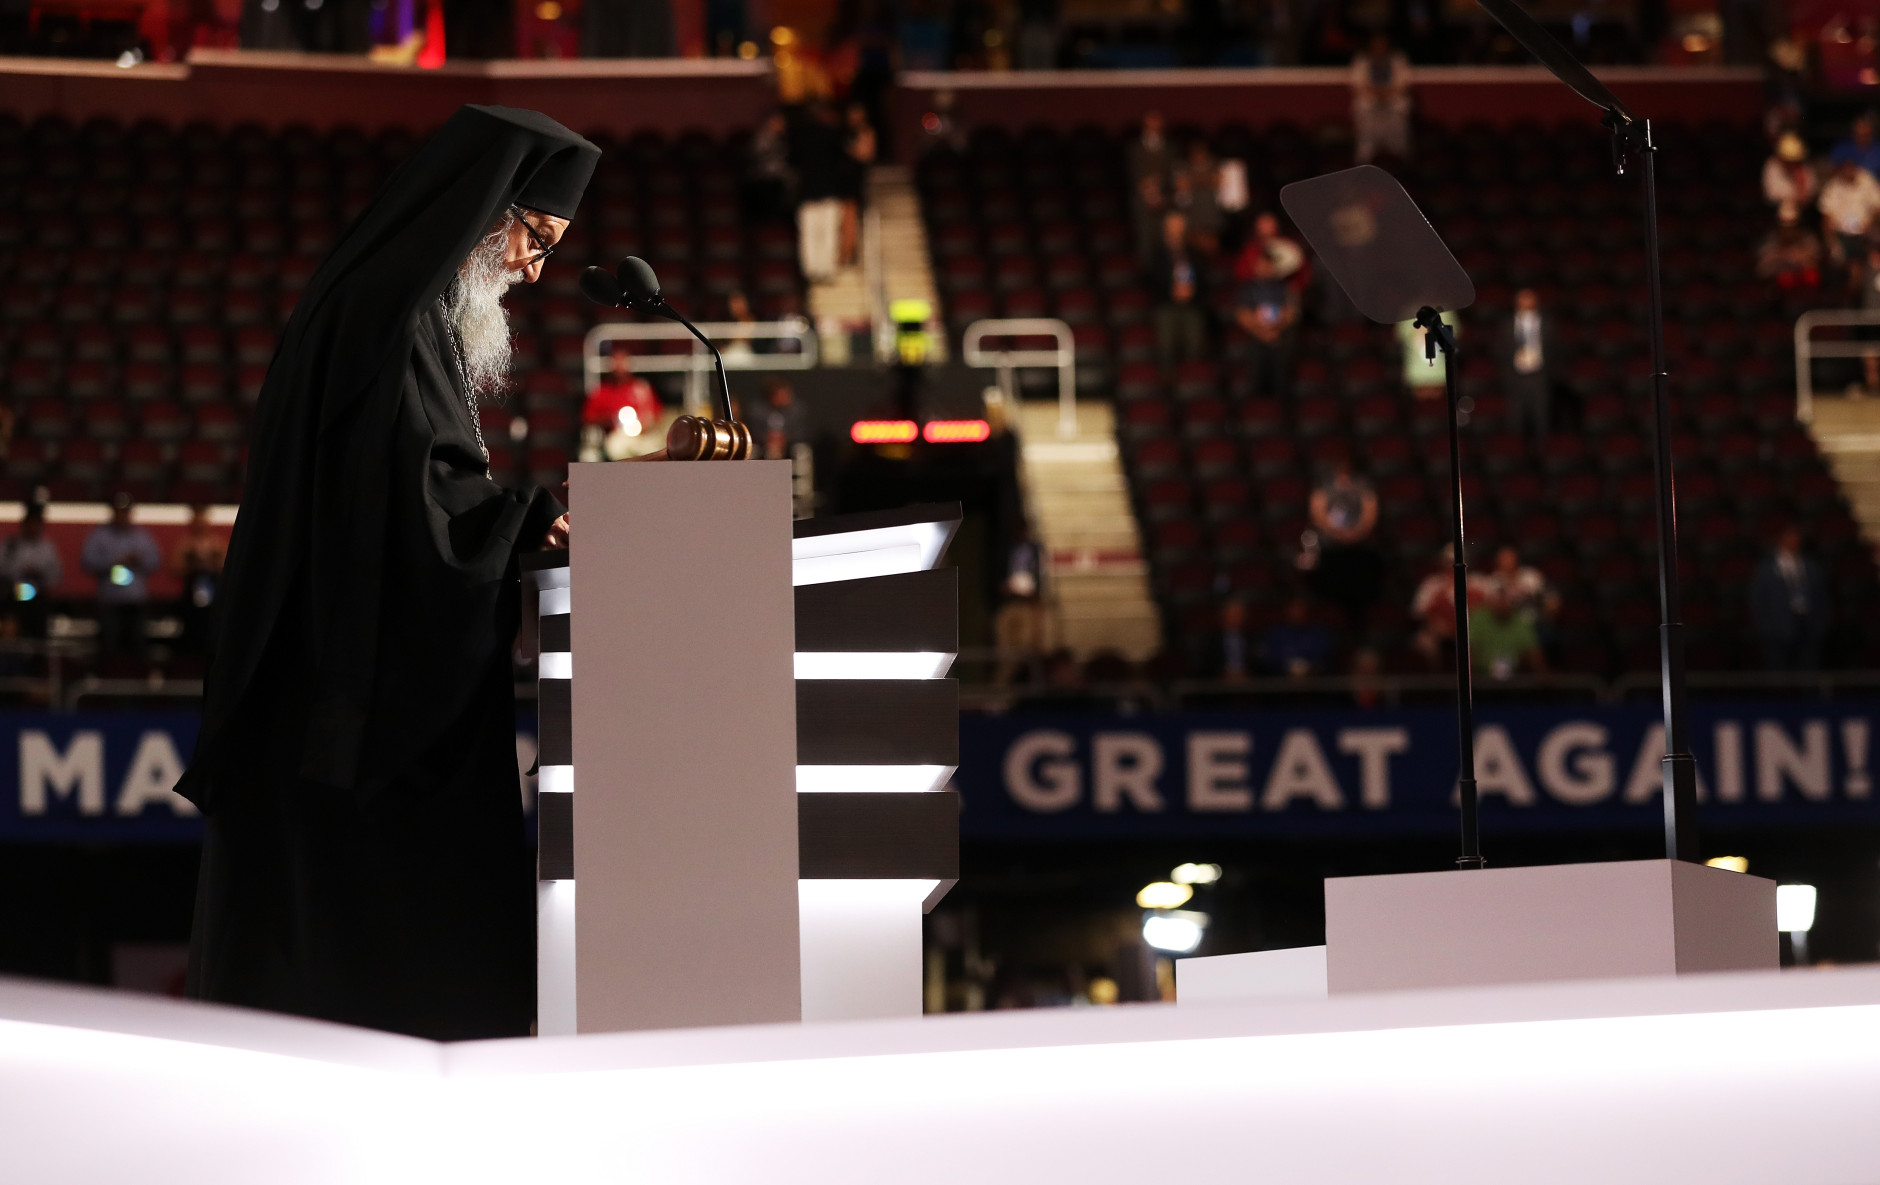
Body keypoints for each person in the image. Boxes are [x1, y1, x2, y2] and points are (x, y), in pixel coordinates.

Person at [180, 105, 597, 1041]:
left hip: (334, 668)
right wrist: (525, 522)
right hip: (339, 692)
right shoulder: (391, 316)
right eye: (536, 239)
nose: (535, 269)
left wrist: (512, 520)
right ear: (489, 208)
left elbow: (420, 487)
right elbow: (409, 509)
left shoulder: (399, 307)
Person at [81, 493, 160, 665]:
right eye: (119, 511)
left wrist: (138, 560)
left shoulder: (142, 536)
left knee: (137, 649)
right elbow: (88, 561)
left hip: (135, 601)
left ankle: (136, 677)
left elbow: (155, 561)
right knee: (109, 648)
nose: (122, 516)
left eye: (125, 512)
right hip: (110, 601)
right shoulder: (100, 535)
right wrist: (113, 562)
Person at [1306, 453, 1382, 632]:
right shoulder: (1325, 485)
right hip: (1331, 548)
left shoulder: (1362, 485)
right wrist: (1337, 533)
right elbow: (1318, 512)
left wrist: (1355, 533)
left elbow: (1370, 512)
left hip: (1358, 546)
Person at [1233, 212, 1304, 400]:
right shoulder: (1249, 288)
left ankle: (1282, 402)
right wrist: (1262, 332)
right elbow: (1242, 314)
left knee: (1283, 361)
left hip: (1279, 334)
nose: (1265, 267)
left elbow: (1292, 311)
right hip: (1257, 336)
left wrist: (1276, 329)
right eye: (1262, 263)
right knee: (1254, 363)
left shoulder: (1285, 287)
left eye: (1269, 263)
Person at [1750, 524, 1829, 671]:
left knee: (1808, 670)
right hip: (1777, 631)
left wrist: (1820, 625)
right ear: (1781, 539)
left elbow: (1822, 598)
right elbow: (1758, 601)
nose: (1794, 540)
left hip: (1808, 628)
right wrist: (1767, 629)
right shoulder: (1766, 569)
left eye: (1796, 537)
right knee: (1780, 673)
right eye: (1790, 537)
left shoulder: (1811, 567)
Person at [792, 101, 848, 282]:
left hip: (808, 193)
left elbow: (793, 162)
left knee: (810, 235)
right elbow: (841, 162)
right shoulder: (831, 135)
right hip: (827, 192)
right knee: (827, 233)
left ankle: (811, 272)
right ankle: (827, 271)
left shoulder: (799, 136)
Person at [581, 347, 664, 460]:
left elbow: (657, 414)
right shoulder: (602, 391)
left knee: (657, 450)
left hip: (644, 437)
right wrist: (610, 419)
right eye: (616, 363)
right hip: (618, 436)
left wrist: (646, 423)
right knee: (616, 448)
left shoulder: (641, 388)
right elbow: (588, 417)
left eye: (623, 362)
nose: (620, 367)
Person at [1150, 210, 1208, 367]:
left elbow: (1203, 277)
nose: (1177, 230)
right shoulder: (1157, 253)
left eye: (1180, 226)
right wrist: (1172, 290)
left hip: (1192, 303)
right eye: (1173, 226)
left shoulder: (1194, 252)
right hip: (1166, 304)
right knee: (1166, 347)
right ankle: (1167, 377)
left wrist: (1191, 290)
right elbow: (1151, 278)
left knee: (1195, 345)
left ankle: (1194, 377)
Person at [170, 504, 228, 659]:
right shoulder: (185, 544)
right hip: (191, 594)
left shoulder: (217, 543)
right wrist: (193, 564)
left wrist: (212, 563)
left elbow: (227, 567)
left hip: (213, 594)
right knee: (192, 629)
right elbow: (175, 568)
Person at [1500, 288, 1557, 441]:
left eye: (1529, 298)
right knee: (1515, 420)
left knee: (1541, 420)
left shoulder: (1548, 323)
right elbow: (1500, 350)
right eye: (1522, 298)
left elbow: (1556, 349)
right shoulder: (1507, 324)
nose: (1525, 302)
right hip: (1515, 377)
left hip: (1540, 377)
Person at [0, 501, 61, 640]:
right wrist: (19, 571)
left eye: (36, 524)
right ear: (24, 524)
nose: (33, 528)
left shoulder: (47, 548)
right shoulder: (11, 545)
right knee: (13, 635)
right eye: (30, 523)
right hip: (14, 596)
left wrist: (39, 574)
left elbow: (56, 575)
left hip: (38, 598)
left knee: (37, 636)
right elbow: (2, 568)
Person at [1351, 34, 1410, 165]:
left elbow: (1403, 84)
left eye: (1382, 45)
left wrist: (1386, 94)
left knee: (1396, 144)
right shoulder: (1362, 61)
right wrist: (1376, 94)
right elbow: (1357, 84)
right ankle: (1364, 168)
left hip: (1393, 109)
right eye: (1376, 46)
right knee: (1366, 145)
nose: (1379, 49)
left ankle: (1400, 168)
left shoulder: (1398, 60)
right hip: (1369, 110)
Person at [1469, 582, 1546, 681]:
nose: (1502, 604)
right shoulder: (1479, 618)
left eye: (1505, 601)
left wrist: (1543, 677)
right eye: (1499, 600)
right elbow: (1469, 648)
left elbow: (1533, 651)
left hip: (1515, 678)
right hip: (1482, 677)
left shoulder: (1520, 621)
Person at [1817, 157, 1880, 273]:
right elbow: (1826, 219)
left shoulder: (1867, 181)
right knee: (1840, 264)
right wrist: (1833, 245)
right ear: (1840, 169)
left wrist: (1870, 224)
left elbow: (1877, 208)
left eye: (1852, 167)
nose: (1849, 170)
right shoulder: (1832, 188)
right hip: (1841, 236)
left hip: (1866, 235)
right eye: (1846, 167)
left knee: (1873, 260)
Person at [1260, 592, 1330, 678]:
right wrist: (1287, 668)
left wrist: (1309, 668)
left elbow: (1322, 660)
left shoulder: (1317, 634)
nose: (1297, 612)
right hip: (1280, 681)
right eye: (1294, 609)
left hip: (1313, 680)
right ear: (1286, 610)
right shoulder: (1275, 634)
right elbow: (1268, 661)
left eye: (1300, 608)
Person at [1757, 200, 1823, 289]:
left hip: (1805, 286)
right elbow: (1762, 270)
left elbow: (1815, 262)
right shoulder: (1771, 239)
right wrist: (1781, 256)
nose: (1788, 230)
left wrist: (1797, 257)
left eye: (1792, 225)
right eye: (1785, 226)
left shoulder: (1808, 238)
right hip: (1778, 289)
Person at [1398, 312, 1456, 401]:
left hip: (1440, 377)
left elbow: (1453, 335)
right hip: (1416, 377)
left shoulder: (1446, 312)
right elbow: (1400, 335)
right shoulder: (1408, 312)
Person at [1763, 132, 1817, 208]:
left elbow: (1811, 192)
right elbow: (1772, 195)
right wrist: (1794, 198)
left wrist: (1801, 185)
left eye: (1795, 160)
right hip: (1775, 209)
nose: (1792, 164)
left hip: (1804, 210)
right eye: (1789, 160)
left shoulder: (1804, 168)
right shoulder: (1772, 167)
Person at [1126, 110, 1172, 191]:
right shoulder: (1134, 148)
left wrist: (1160, 182)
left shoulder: (1170, 148)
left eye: (1156, 125)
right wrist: (1142, 184)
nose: (1153, 129)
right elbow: (1131, 170)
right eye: (1149, 126)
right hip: (1139, 191)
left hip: (1164, 191)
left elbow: (1171, 171)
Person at [1829, 115, 1880, 179]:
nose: (1862, 138)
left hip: (1872, 183)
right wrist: (1844, 171)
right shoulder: (1843, 148)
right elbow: (1830, 168)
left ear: (1871, 133)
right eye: (1859, 134)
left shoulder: (1877, 150)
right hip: (1845, 182)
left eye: (1865, 134)